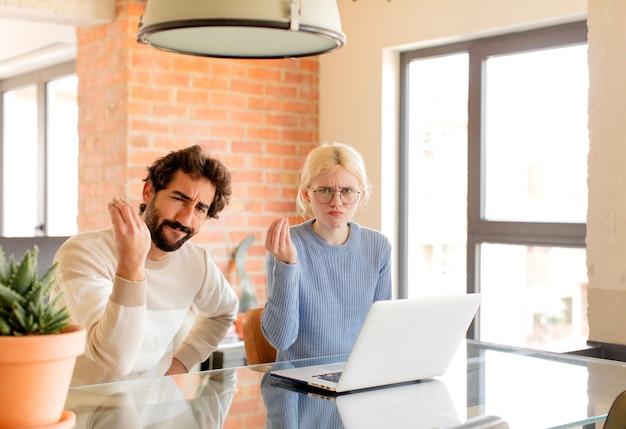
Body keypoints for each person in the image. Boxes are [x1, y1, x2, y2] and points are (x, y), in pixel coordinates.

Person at [52, 145, 239, 386]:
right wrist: (131, 267)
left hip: (154, 411)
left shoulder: (197, 263)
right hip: (87, 413)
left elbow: (224, 312)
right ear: (149, 191)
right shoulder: (83, 254)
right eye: (179, 198)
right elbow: (116, 360)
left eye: (200, 208)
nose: (185, 218)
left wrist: (182, 363)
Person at [262, 142, 392, 362]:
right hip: (300, 385)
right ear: (306, 194)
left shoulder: (378, 246)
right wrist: (288, 265)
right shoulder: (287, 244)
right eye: (324, 191)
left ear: (360, 196)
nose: (336, 202)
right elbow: (281, 340)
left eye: (347, 191)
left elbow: (381, 334)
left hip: (357, 380)